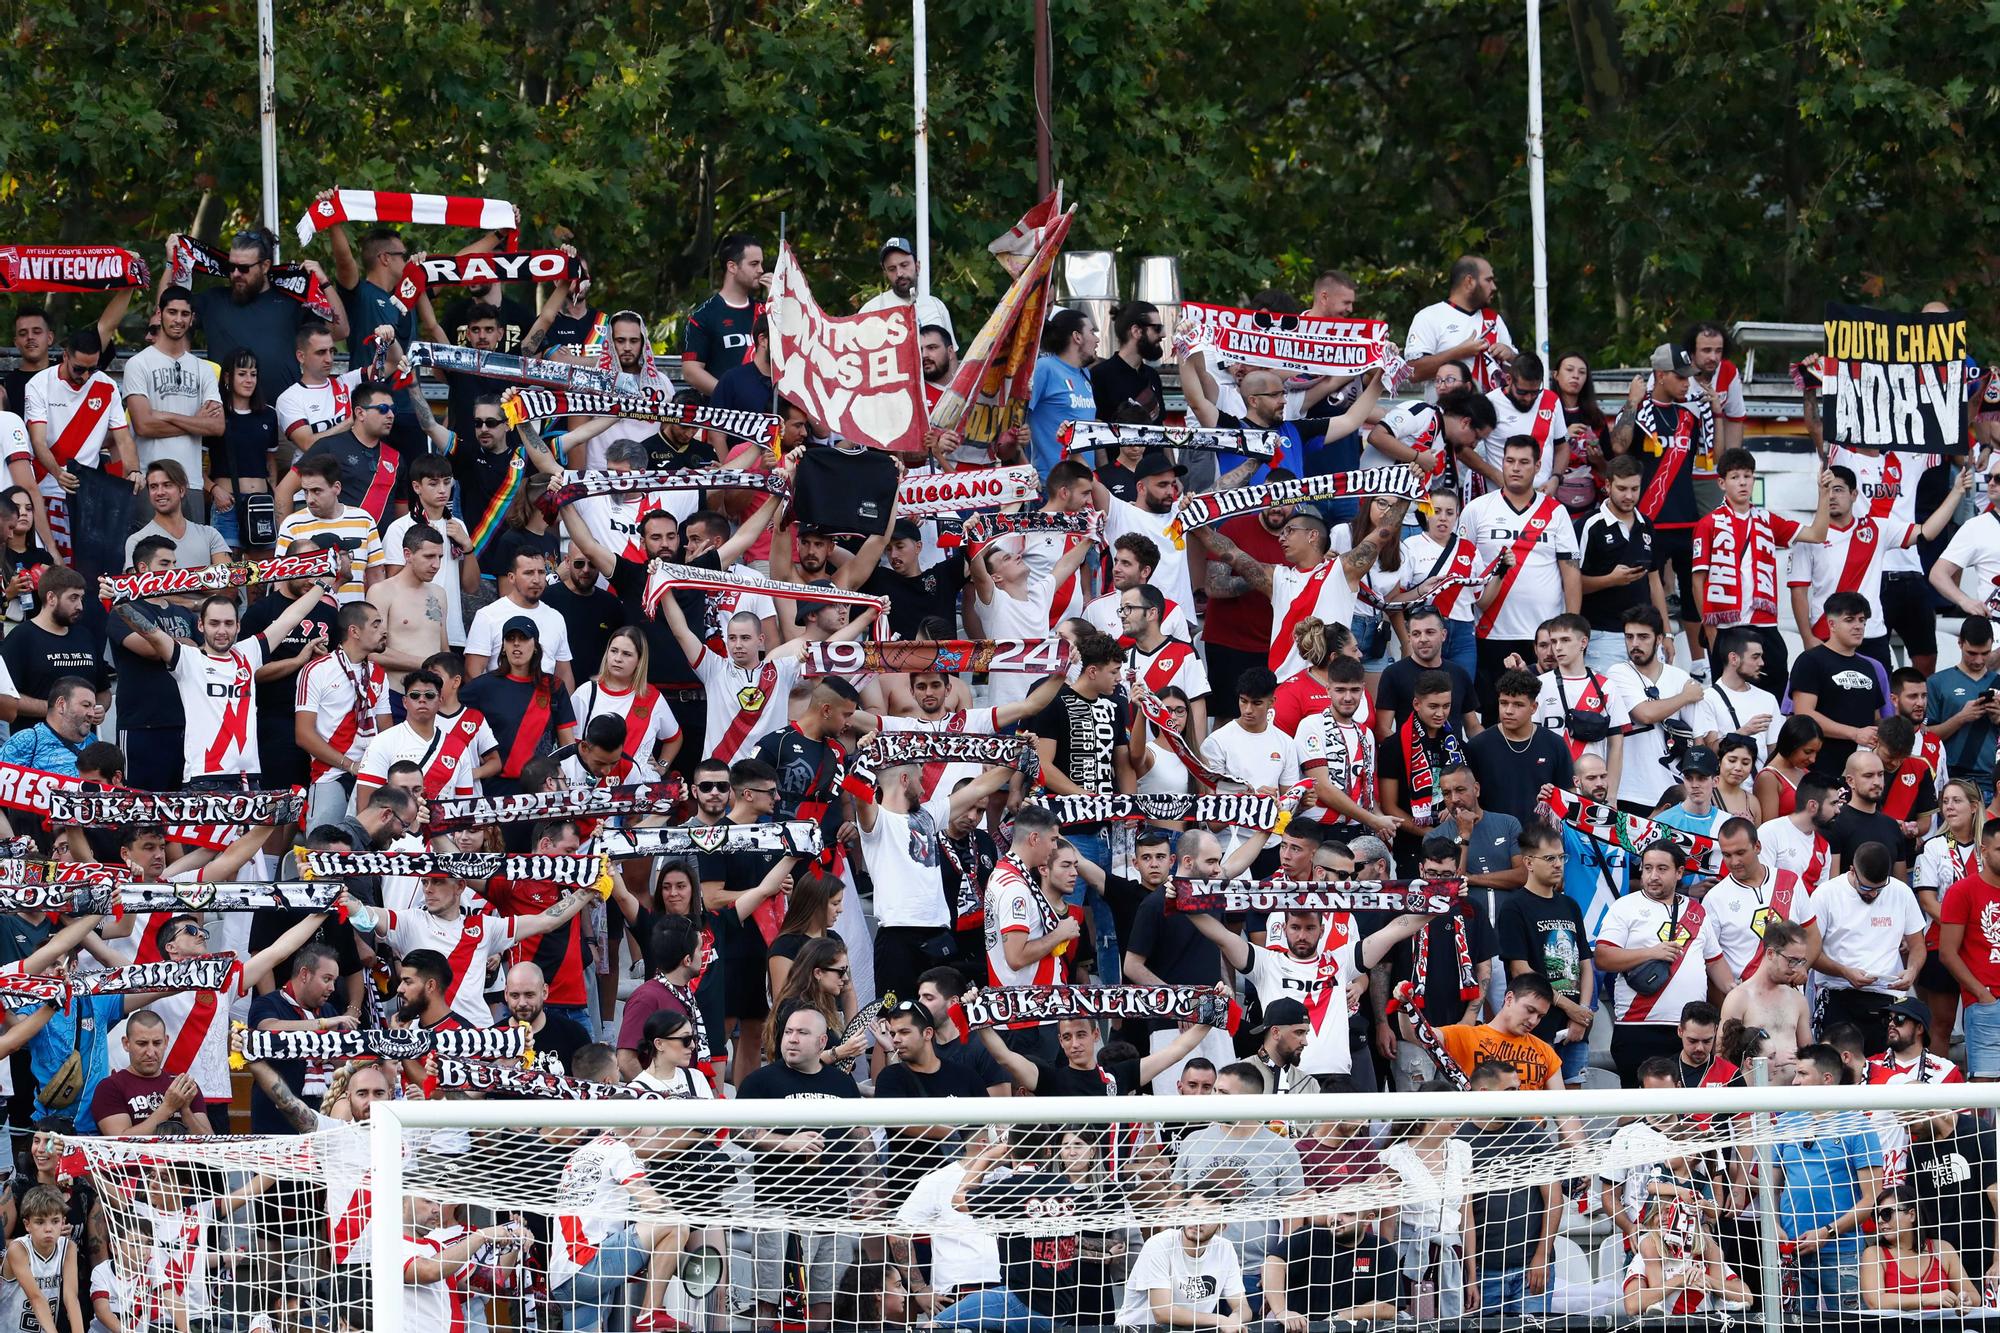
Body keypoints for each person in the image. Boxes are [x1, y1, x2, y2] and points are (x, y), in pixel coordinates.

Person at [737, 1003, 865, 1327]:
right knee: (770, 1301)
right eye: (789, 1032)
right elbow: (738, 1131)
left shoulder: (842, 1083)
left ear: (823, 1043)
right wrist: (786, 1142)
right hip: (779, 1209)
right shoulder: (762, 1081)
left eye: (802, 1033)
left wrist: (870, 1188)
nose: (792, 1039)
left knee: (825, 1302)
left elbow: (862, 1137)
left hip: (834, 1209)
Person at [1609, 343, 1714, 663]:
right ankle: (1652, 660)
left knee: (1696, 597)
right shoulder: (1637, 412)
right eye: (1680, 377)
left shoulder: (1689, 415)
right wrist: (1632, 401)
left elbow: (1714, 458)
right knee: (1646, 596)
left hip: (1687, 519)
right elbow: (1618, 446)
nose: (1687, 383)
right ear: (1660, 375)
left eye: (1689, 377)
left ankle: (1701, 665)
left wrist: (1717, 412)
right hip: (1648, 520)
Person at [1463, 433, 1581, 713]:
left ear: (1538, 466)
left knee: (1544, 714)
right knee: (1494, 714)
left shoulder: (1557, 512)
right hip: (1489, 632)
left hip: (1542, 638)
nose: (1515, 468)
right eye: (1509, 461)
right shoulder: (1477, 509)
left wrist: (1571, 629)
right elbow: (1463, 570)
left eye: (1524, 462)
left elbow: (1571, 573)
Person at [1690, 450, 1830, 681]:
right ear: (1722, 483)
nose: (1743, 482)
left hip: (1764, 624)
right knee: (1729, 701)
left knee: (1774, 695)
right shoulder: (1708, 524)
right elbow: (1697, 582)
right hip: (1726, 627)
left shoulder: (1767, 519)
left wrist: (1823, 494)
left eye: (1747, 476)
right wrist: (1710, 631)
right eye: (1735, 477)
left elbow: (1817, 534)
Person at [1776, 1044, 1883, 1312]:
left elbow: (1872, 1198)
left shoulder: (1857, 1125)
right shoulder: (1786, 1122)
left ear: (1827, 1079)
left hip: (1842, 1251)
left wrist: (1827, 1233)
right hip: (1792, 1251)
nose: (1795, 1081)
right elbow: (1769, 1186)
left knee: (1850, 1326)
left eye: (1802, 1074)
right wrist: (1774, 1227)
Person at [1495, 822, 1594, 1083]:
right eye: (1549, 858)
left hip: (1576, 1023)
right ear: (1528, 861)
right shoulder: (1514, 907)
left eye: (1562, 857)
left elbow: (1584, 962)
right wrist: (1569, 1007)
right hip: (1536, 1023)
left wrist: (1581, 1012)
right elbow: (1520, 970)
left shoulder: (1570, 905)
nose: (1558, 864)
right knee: (1534, 1109)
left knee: (1573, 1106)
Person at [1812, 842, 1928, 1048]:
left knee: (1884, 1071)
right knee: (1840, 1070)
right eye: (1866, 887)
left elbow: (1918, 944)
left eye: (1879, 889)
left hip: (1887, 996)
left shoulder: (1901, 892)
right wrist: (1844, 971)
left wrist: (1912, 970)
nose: (1872, 894)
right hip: (1839, 993)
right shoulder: (1826, 894)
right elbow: (1811, 953)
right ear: (1852, 871)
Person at [1114, 1185, 1247, 1332]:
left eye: (1209, 1217)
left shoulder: (1225, 1249)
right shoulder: (1160, 1244)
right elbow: (1162, 1312)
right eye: (1194, 1212)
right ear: (1184, 1214)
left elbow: (1243, 1307)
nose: (1198, 1221)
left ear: (1222, 1226)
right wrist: (1221, 1320)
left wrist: (1236, 1318)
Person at [1936, 820, 2000, 1080]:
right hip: (1986, 1002)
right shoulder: (1962, 891)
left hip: (1985, 1000)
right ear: (1983, 850)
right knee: (1983, 1089)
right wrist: (1981, 994)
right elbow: (1947, 953)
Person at [1403, 253, 1515, 394]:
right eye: (1488, 280)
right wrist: (1459, 353)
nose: (1494, 287)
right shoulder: (1429, 316)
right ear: (1469, 282)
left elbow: (1519, 372)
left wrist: (1510, 355)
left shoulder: (1493, 319)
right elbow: (1413, 373)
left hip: (1492, 413)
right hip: (1444, 413)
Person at [1436, 972, 1568, 1090]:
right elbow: (1422, 1034)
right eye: (1530, 1010)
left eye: (1540, 1016)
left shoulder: (1545, 1051)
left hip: (1530, 1118)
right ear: (1509, 998)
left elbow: (1565, 1111)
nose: (1533, 1021)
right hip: (1482, 1117)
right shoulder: (1464, 1035)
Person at [1027, 308, 1097, 479]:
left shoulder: (1085, 374)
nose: (1097, 339)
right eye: (1092, 332)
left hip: (1085, 483)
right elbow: (1018, 416)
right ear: (1077, 337)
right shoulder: (1045, 367)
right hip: (1053, 483)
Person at [860, 236, 953, 341]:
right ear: (885, 274)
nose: (899, 273)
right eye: (892, 269)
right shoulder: (871, 310)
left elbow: (950, 354)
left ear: (917, 266)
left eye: (904, 265)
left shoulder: (936, 306)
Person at [1091, 300, 1165, 426]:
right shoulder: (1100, 376)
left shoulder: (1152, 375)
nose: (1163, 334)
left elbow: (1160, 427)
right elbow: (1096, 429)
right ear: (1136, 331)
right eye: (1157, 328)